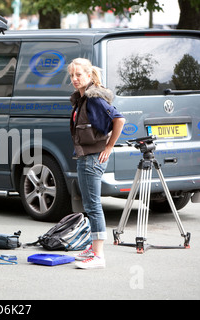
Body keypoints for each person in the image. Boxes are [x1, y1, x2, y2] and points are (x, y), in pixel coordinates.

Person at [67, 58, 125, 269]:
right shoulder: (82, 98)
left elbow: (119, 119)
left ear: (89, 76)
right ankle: (93, 248)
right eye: (72, 75)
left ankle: (99, 256)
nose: (74, 79)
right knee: (89, 204)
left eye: (79, 75)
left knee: (93, 205)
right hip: (85, 157)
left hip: (93, 157)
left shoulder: (94, 99)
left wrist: (109, 147)